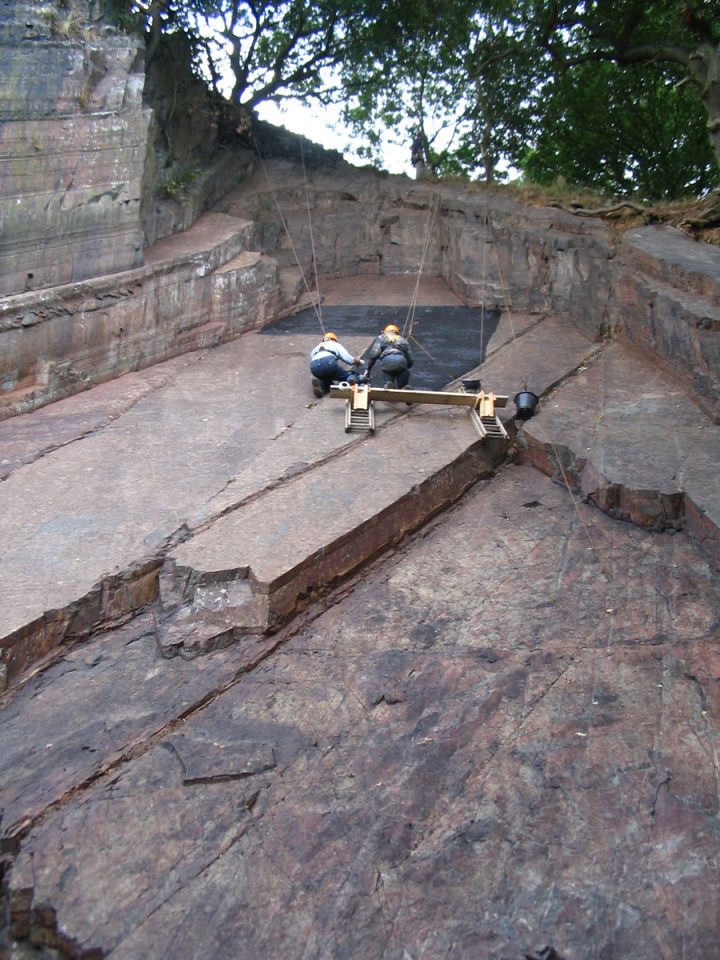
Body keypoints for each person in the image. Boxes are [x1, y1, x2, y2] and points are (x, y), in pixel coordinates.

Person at [309, 331, 363, 398]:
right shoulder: (335, 344)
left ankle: (320, 382)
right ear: (334, 339)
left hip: (314, 366)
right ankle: (349, 380)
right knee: (348, 375)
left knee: (327, 380)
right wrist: (357, 362)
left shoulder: (315, 348)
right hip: (328, 362)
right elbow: (348, 359)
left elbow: (313, 358)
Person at [365, 323, 414, 390]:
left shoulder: (381, 337)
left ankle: (388, 384)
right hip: (401, 360)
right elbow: (410, 360)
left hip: (387, 360)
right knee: (403, 374)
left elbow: (374, 355)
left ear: (385, 332)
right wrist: (406, 367)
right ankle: (404, 387)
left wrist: (368, 369)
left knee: (388, 373)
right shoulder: (403, 340)